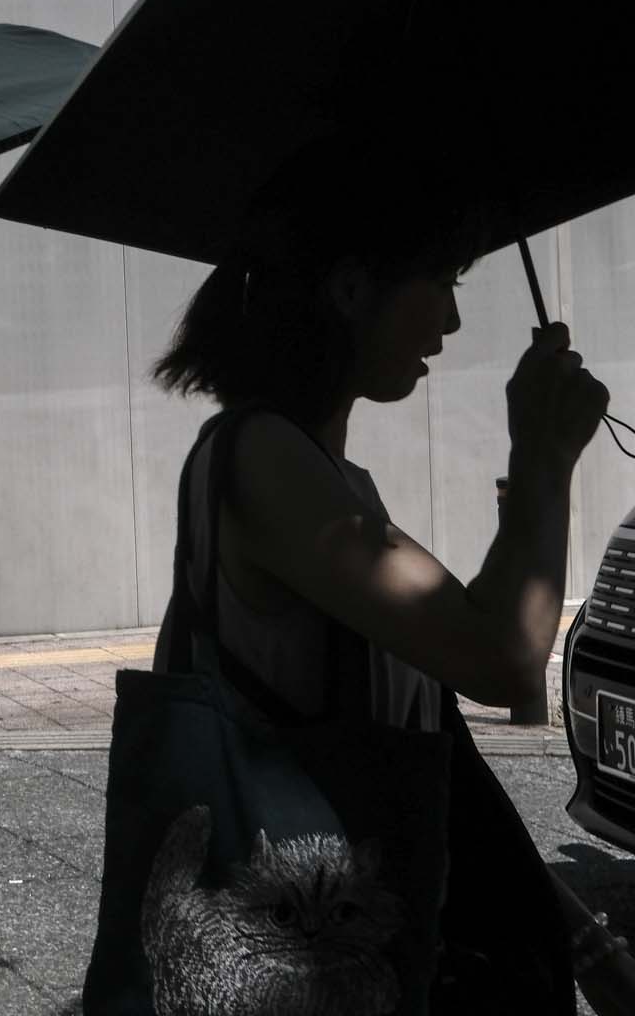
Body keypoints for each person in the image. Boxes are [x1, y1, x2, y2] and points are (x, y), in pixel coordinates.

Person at [149, 156, 635, 1013]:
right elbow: (505, 662)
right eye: (441, 281)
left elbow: (434, 752)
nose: (450, 320)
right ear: (349, 289)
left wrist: (577, 936)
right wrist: (543, 461)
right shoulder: (264, 462)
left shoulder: (327, 479)